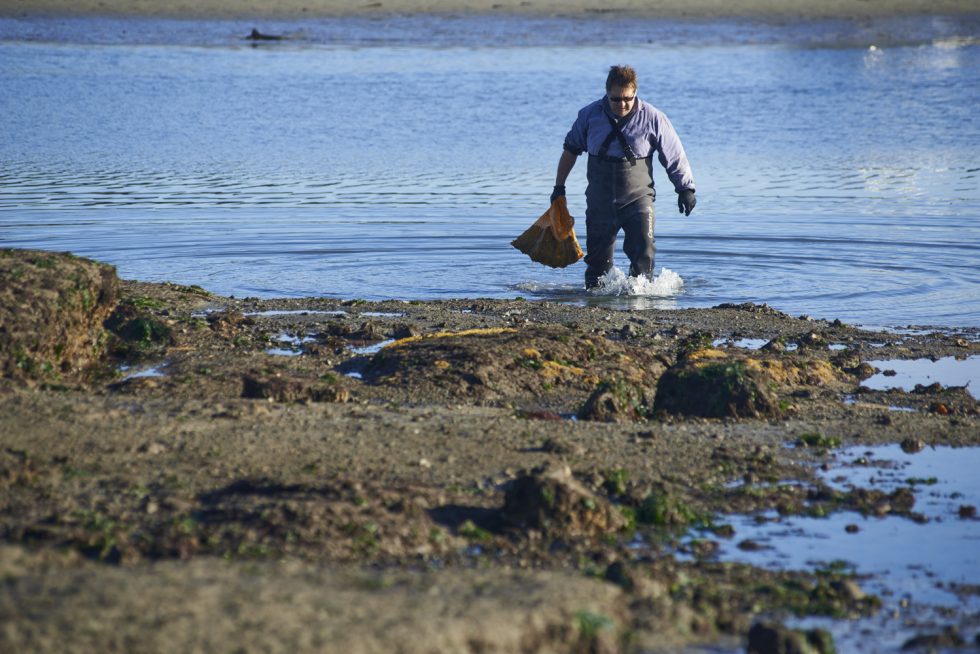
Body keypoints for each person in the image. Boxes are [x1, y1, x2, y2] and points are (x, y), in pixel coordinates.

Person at [552, 65, 696, 289]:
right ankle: (597, 303)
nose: (622, 104)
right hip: (600, 200)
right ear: (607, 93)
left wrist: (685, 188)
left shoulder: (654, 118)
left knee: (644, 251)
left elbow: (674, 154)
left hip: (638, 198)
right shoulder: (589, 115)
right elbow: (570, 151)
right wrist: (559, 188)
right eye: (616, 99)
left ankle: (640, 300)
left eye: (627, 98)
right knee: (597, 265)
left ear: (635, 93)